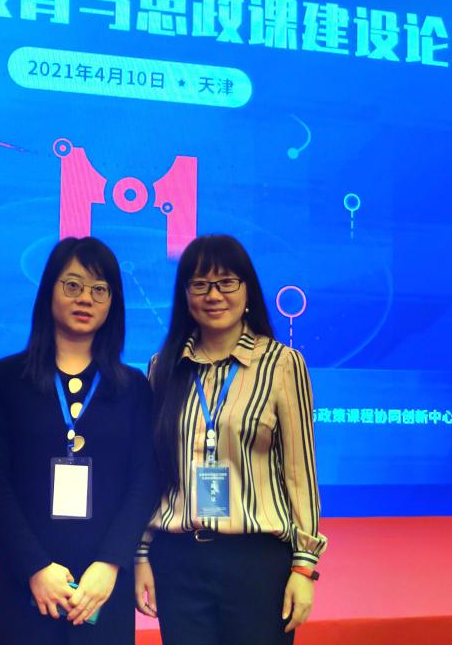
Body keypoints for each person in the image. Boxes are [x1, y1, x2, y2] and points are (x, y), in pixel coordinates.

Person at [133, 234, 326, 645]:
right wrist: (142, 553)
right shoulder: (162, 368)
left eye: (226, 282)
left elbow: (300, 474)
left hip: (257, 563)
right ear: (185, 295)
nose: (214, 295)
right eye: (200, 284)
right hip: (178, 561)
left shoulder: (282, 364)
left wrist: (304, 566)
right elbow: (151, 472)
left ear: (247, 290)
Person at [0, 237, 158, 644]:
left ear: (112, 303)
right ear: (48, 291)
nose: (85, 298)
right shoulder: (4, 381)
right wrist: (36, 567)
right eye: (72, 285)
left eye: (99, 289)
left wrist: (110, 564)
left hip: (101, 587)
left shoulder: (132, 388)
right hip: (27, 584)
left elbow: (143, 483)